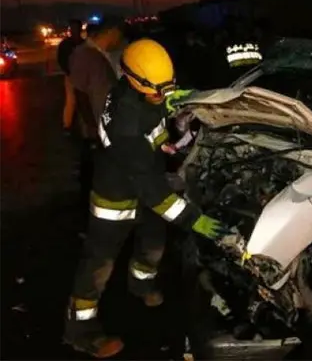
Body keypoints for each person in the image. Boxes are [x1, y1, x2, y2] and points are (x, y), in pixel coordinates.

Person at [63, 38, 230, 358]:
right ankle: (79, 330)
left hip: (144, 179)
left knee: (153, 242)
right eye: (157, 91)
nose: (162, 95)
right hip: (115, 198)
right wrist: (194, 219)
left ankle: (140, 284)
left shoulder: (131, 90)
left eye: (167, 87)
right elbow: (155, 193)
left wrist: (171, 113)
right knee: (99, 263)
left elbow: (153, 122)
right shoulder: (126, 124)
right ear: (134, 81)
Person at [68, 18, 123, 207]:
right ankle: (88, 209)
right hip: (94, 126)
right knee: (92, 169)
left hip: (103, 124)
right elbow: (80, 93)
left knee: (101, 168)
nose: (120, 38)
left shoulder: (100, 53)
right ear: (110, 31)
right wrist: (91, 126)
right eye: (118, 33)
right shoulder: (84, 54)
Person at [57, 19, 85, 134]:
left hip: (84, 76)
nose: (74, 30)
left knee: (84, 101)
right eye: (72, 28)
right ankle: (67, 125)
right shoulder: (65, 44)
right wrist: (68, 72)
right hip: (71, 76)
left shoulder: (84, 43)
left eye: (76, 28)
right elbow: (61, 60)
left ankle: (85, 126)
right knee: (71, 100)